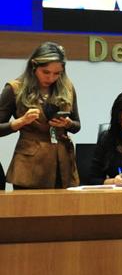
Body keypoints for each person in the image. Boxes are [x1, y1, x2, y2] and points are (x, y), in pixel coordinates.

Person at [0, 42, 80, 189]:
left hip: (62, 163)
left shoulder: (67, 87)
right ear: (34, 66)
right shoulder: (15, 88)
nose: (51, 78)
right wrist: (20, 122)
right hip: (29, 165)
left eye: (57, 73)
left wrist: (68, 123)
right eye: (46, 72)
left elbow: (77, 126)